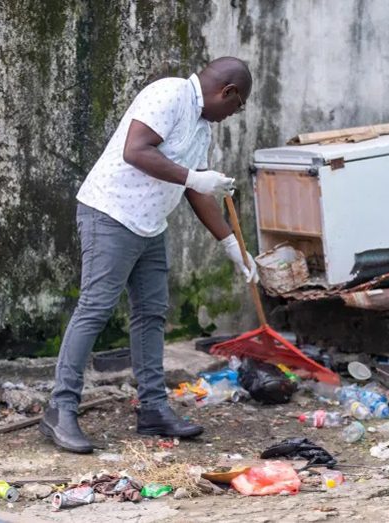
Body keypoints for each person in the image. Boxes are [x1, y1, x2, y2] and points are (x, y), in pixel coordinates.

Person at [40, 57, 258, 453]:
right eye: (237, 106)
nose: (233, 115)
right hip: (110, 214)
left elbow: (196, 191)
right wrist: (194, 177)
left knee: (152, 313)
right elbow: (135, 151)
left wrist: (231, 245)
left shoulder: (201, 128)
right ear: (227, 92)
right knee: (94, 308)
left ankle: (153, 409)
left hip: (150, 225)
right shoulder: (169, 93)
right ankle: (61, 408)